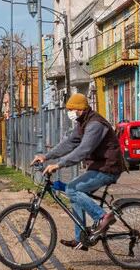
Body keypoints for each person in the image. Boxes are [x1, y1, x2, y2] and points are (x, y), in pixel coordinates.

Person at [31, 93, 126, 250]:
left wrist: (59, 165)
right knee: (75, 194)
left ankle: (103, 217)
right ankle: (80, 239)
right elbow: (69, 144)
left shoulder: (95, 124)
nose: (70, 112)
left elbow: (83, 150)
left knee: (72, 189)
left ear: (80, 109)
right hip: (99, 166)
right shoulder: (83, 123)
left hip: (109, 168)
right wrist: (46, 156)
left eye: (71, 109)